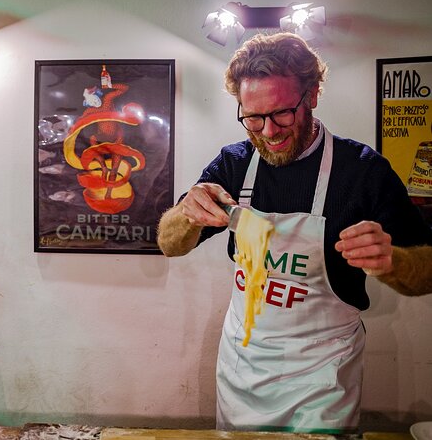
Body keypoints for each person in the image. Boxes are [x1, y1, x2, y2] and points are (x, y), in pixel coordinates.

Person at [157, 32, 432, 433]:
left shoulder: (362, 172)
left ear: (313, 94)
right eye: (252, 117)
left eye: (282, 113)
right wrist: (187, 213)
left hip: (323, 381)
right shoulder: (234, 165)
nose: (268, 131)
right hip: (243, 373)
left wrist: (393, 262)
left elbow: (426, 273)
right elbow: (169, 244)